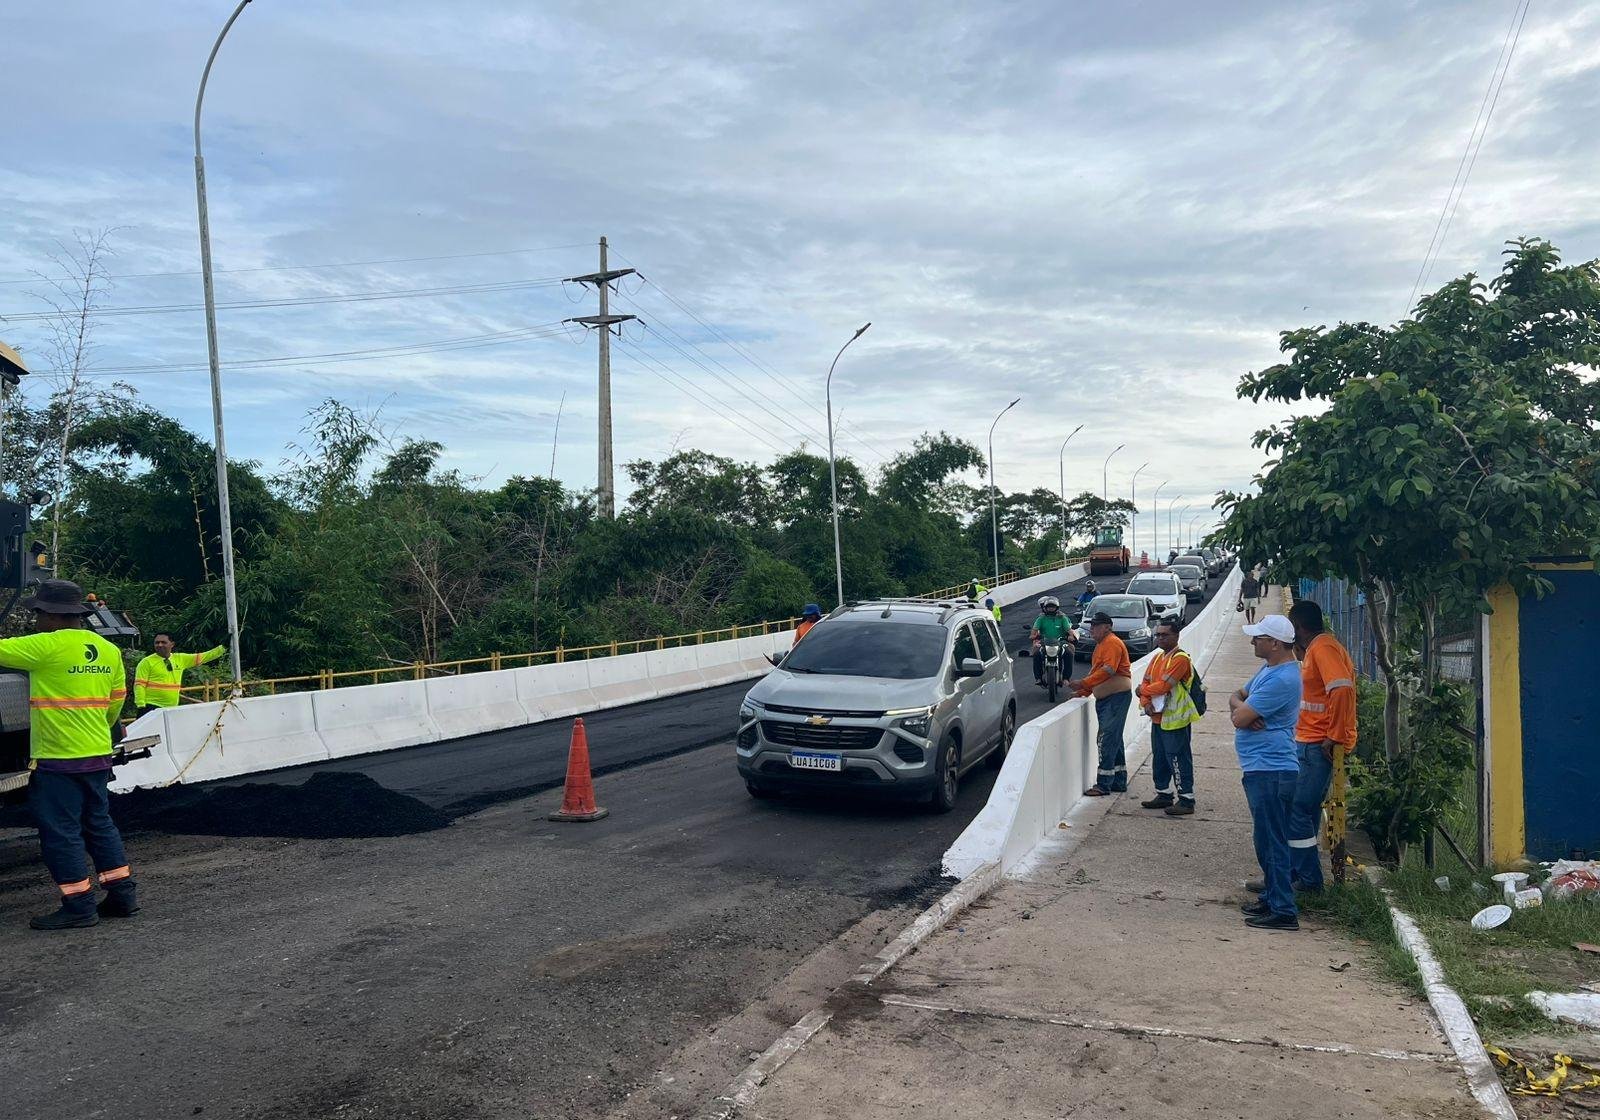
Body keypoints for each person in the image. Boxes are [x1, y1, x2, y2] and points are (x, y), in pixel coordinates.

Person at [0, 579, 134, 930]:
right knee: (99, 824)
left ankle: (78, 905)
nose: (35, 620)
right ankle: (122, 895)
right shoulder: (107, 649)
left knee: (61, 832)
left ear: (50, 615)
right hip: (97, 754)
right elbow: (115, 702)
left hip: (58, 758)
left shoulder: (46, 645)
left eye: (37, 613)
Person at [1230, 615, 1303, 931]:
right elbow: (1237, 698)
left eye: (1258, 637)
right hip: (1262, 766)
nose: (1252, 642)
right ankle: (1273, 898)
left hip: (1272, 768)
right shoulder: (1270, 670)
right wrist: (1240, 708)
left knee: (1272, 841)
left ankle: (1284, 909)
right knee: (1266, 839)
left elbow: (1238, 717)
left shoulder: (1283, 679)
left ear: (1274, 643)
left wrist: (1242, 713)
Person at [1285, 600, 1357, 892]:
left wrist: (1334, 734)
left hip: (1317, 745)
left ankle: (1308, 880)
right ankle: (1295, 873)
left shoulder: (1323, 649)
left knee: (1297, 810)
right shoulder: (1318, 648)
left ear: (1298, 627)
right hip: (1310, 741)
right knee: (1305, 812)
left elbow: (1340, 688)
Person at [1137, 617, 1199, 815]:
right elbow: (1145, 683)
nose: (1160, 638)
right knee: (1160, 757)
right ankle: (1163, 794)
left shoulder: (1180, 659)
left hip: (1176, 720)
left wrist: (1143, 691)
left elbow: (1164, 686)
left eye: (1165, 635)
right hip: (1157, 717)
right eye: (1158, 635)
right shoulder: (1157, 658)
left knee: (1178, 758)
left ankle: (1186, 799)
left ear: (1176, 635)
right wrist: (1145, 701)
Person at [1073, 612, 1132, 794]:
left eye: (1096, 626)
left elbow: (1108, 670)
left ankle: (1104, 783)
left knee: (1105, 738)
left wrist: (1083, 684)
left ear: (1107, 627)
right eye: (1091, 626)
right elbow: (1097, 673)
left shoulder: (1111, 643)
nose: (1092, 629)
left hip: (1115, 698)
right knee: (1114, 739)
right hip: (1109, 698)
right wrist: (1084, 691)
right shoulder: (1102, 645)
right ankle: (1118, 781)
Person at [133, 633, 225, 716]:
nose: (159, 645)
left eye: (163, 642)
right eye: (157, 642)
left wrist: (223, 648)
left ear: (172, 644)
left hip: (171, 708)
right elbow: (139, 685)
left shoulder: (180, 659)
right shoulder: (146, 662)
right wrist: (141, 705)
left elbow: (204, 656)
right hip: (150, 707)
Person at [1029, 596, 1075, 687]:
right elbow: (1034, 631)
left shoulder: (1062, 618)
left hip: (1060, 641)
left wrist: (1070, 636)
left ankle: (1066, 678)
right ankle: (1038, 678)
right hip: (1044, 641)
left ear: (1056, 608)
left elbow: (1069, 630)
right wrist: (1033, 636)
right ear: (1045, 608)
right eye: (1049, 607)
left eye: (1053, 607)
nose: (1051, 609)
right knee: (1037, 653)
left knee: (1069, 653)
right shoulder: (1041, 619)